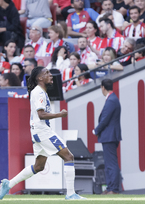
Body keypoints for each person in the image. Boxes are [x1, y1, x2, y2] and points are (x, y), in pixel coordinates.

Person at [0, 67, 86, 200]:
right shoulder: (39, 93)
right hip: (42, 131)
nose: (50, 75)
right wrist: (60, 114)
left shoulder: (39, 92)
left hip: (38, 131)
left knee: (39, 166)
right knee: (69, 156)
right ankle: (70, 194)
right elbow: (41, 115)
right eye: (46, 73)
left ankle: (8, 184)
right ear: (40, 78)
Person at [92, 78, 122, 194]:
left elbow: (105, 120)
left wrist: (96, 130)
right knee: (109, 163)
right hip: (110, 135)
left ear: (103, 87)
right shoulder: (112, 99)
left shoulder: (111, 100)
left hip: (110, 136)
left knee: (111, 163)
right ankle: (110, 187)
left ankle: (113, 188)